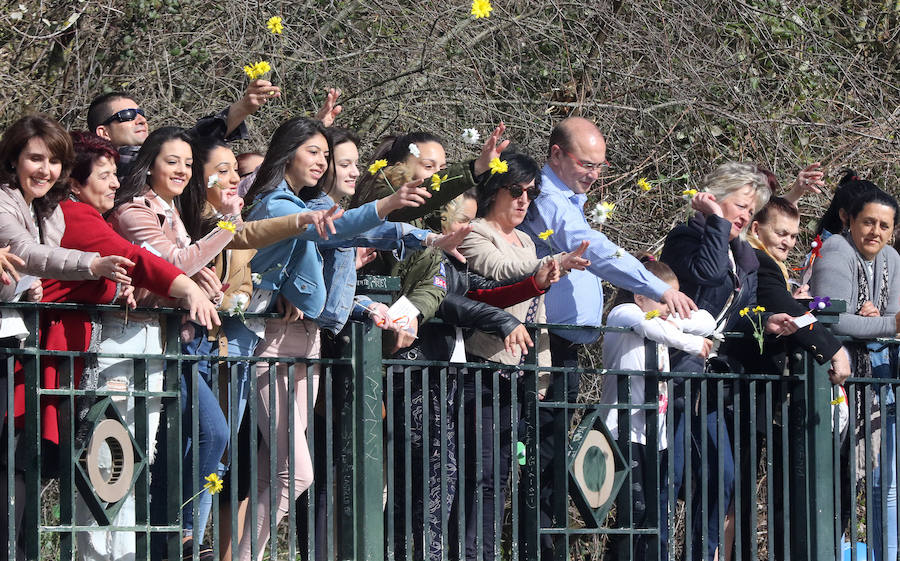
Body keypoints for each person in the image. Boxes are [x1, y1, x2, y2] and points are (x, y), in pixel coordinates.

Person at [238, 117, 433, 561]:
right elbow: (327, 229)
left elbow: (353, 231)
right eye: (315, 153)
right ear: (287, 153)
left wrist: (428, 236)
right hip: (273, 341)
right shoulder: (275, 204)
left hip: (307, 341)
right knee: (296, 473)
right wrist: (386, 205)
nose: (322, 163)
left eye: (327, 155)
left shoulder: (312, 206)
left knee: (277, 470)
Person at [29, 131, 220, 561]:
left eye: (117, 174)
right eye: (106, 175)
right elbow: (135, 258)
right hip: (64, 365)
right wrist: (186, 287)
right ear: (75, 182)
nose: (116, 183)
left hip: (76, 364)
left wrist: (121, 291)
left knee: (122, 467)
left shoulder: (83, 217)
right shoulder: (74, 214)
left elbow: (119, 270)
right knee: (107, 469)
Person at [515, 116, 696, 557]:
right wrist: (658, 287)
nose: (594, 173)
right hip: (542, 347)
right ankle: (539, 550)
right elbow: (590, 247)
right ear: (556, 154)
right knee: (540, 458)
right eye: (585, 163)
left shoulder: (571, 199)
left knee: (554, 457)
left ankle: (549, 545)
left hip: (566, 348)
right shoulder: (548, 200)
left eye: (600, 165)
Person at [0, 115, 134, 559]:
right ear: (13, 159)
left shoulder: (45, 210)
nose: (45, 169)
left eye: (55, 161)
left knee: (22, 468)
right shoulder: (3, 202)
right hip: (12, 351)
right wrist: (91, 264)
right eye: (35, 158)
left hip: (20, 348)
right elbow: (29, 253)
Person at [659, 161, 798, 560]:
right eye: (738, 206)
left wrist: (766, 319)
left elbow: (741, 310)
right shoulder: (685, 238)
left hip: (712, 386)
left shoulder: (746, 258)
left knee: (722, 477)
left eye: (750, 212)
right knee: (670, 475)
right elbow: (705, 274)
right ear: (713, 199)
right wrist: (716, 222)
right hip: (676, 376)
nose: (744, 216)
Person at [457, 150, 589, 561]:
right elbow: (497, 272)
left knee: (501, 478)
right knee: (477, 473)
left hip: (518, 378)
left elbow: (539, 318)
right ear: (496, 189)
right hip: (483, 371)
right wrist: (548, 266)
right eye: (516, 190)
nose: (523, 200)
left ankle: (487, 552)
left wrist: (544, 374)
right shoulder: (475, 232)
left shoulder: (529, 241)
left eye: (530, 193)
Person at [724, 196, 851, 560]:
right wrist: (832, 349)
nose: (789, 242)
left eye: (795, 236)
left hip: (760, 395)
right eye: (781, 233)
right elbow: (784, 308)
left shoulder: (768, 262)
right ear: (757, 230)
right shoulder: (760, 261)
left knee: (747, 492)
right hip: (741, 389)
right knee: (737, 492)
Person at [602, 254, 715, 560]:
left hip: (655, 433)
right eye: (666, 300)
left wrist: (677, 313)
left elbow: (707, 321)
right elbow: (648, 326)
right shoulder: (623, 313)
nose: (671, 309)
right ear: (640, 294)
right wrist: (693, 344)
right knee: (633, 513)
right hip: (623, 430)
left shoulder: (664, 320)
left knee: (652, 514)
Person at [809, 185, 900, 561]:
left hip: (879, 380)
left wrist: (881, 322)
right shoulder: (835, 250)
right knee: (839, 480)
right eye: (868, 222)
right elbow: (829, 322)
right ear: (850, 220)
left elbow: (889, 318)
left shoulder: (892, 258)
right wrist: (885, 324)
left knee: (886, 483)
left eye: (884, 225)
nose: (875, 232)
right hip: (837, 380)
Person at [87, 78, 281, 177]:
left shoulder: (148, 157)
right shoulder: (104, 166)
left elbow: (192, 142)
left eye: (142, 113)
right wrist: (241, 108)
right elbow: (195, 141)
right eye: (127, 115)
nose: (140, 120)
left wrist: (244, 107)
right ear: (103, 132)